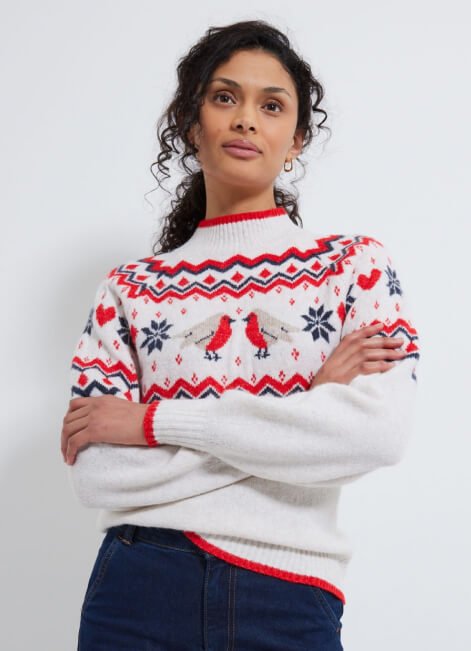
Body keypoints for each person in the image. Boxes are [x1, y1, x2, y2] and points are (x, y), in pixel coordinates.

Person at [61, 19, 420, 651]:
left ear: (297, 138)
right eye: (224, 97)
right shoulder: (130, 288)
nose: (246, 119)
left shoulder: (353, 267)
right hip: (134, 588)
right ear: (191, 124)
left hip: (287, 594)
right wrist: (304, 414)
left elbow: (377, 434)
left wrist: (148, 424)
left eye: (272, 105)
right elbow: (99, 474)